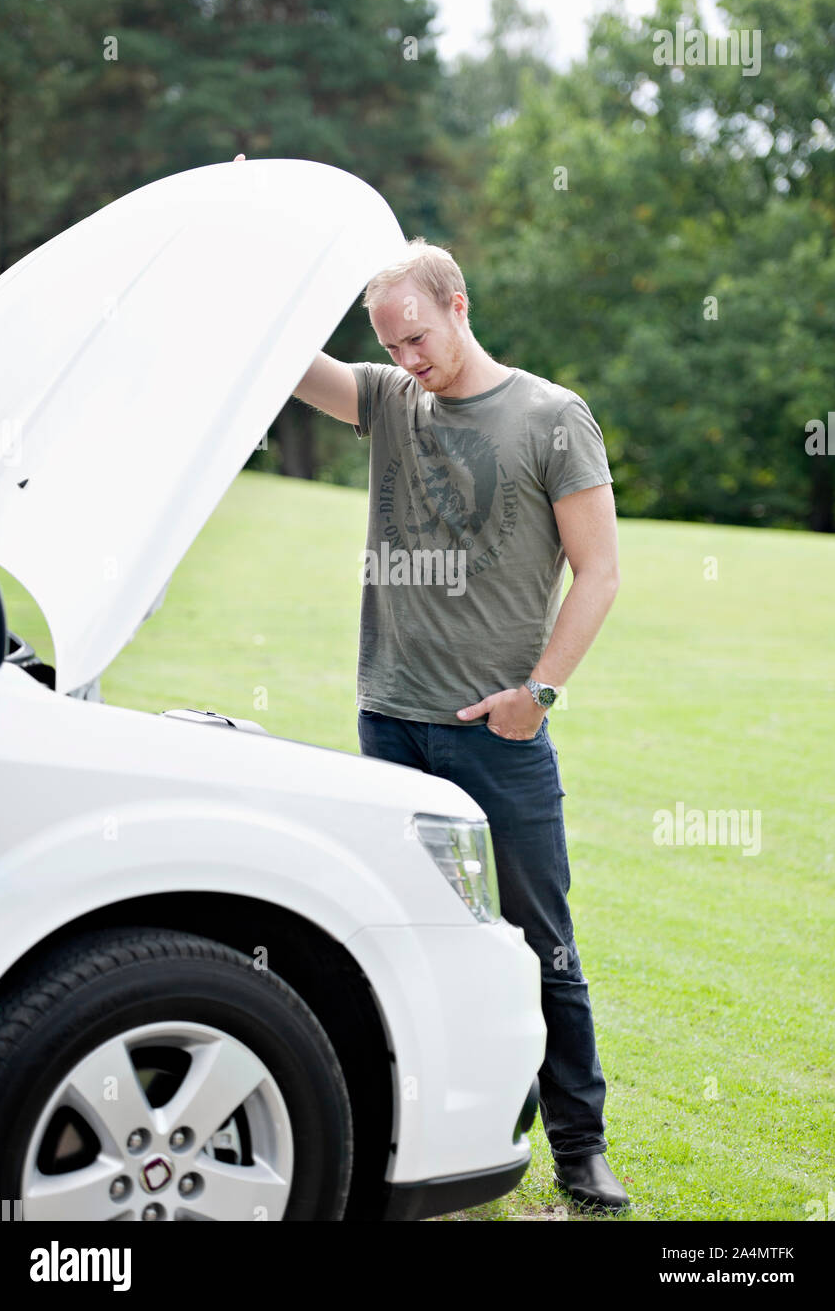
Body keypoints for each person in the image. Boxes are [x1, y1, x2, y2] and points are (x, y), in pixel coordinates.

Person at [291, 222, 628, 1210]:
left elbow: (601, 572)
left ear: (459, 305)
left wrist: (540, 695)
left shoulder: (552, 417)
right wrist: (274, 242)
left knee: (539, 942)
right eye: (390, 345)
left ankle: (580, 1146)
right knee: (404, 939)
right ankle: (434, 1134)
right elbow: (280, 360)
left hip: (496, 735)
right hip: (387, 727)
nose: (405, 360)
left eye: (417, 338)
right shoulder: (390, 401)